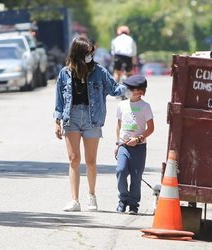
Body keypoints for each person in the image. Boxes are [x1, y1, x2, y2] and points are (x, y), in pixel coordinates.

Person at [54, 36, 126, 212]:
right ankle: (74, 200)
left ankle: (91, 196)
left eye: (91, 53)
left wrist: (133, 87)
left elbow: (114, 88)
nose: (90, 56)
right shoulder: (65, 73)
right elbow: (59, 100)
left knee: (91, 161)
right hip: (71, 117)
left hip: (92, 117)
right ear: (78, 54)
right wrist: (57, 121)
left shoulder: (99, 71)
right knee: (73, 159)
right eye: (87, 53)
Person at [114, 74, 154, 215]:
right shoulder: (122, 105)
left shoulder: (145, 107)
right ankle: (123, 199)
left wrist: (138, 139)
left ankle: (133, 204)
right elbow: (119, 125)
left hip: (139, 147)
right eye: (130, 89)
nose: (132, 92)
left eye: (136, 89)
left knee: (136, 177)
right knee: (121, 170)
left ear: (141, 91)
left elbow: (151, 128)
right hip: (123, 145)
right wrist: (118, 143)